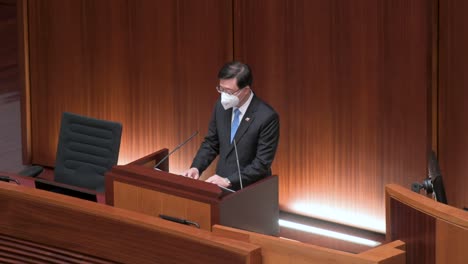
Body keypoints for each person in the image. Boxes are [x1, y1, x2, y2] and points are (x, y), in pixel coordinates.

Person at [184, 61, 280, 191]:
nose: (224, 95)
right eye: (221, 89)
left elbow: (261, 164)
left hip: (251, 190)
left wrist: (229, 180)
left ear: (245, 90)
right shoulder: (221, 106)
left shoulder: (266, 117)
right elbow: (212, 143)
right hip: (220, 186)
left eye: (228, 91)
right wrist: (196, 167)